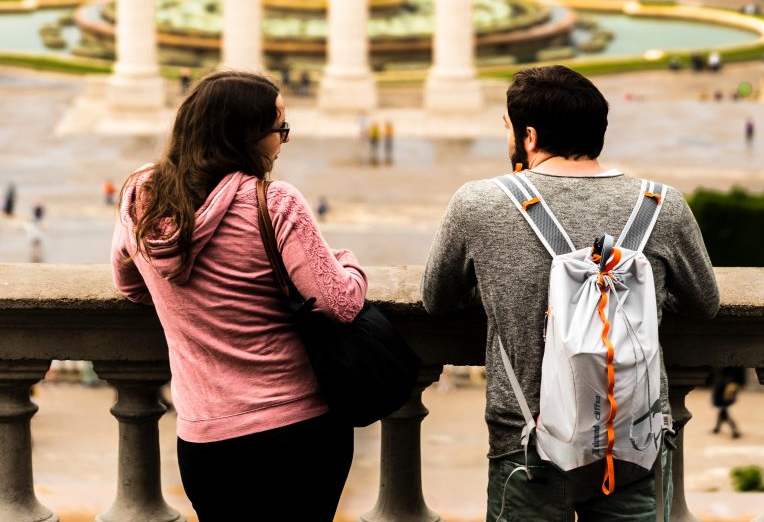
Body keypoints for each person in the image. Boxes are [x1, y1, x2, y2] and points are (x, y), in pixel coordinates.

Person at [422, 65, 720, 522]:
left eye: (508, 129)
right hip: (633, 440)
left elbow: (436, 299)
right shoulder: (663, 205)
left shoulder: (477, 203)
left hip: (525, 441)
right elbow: (704, 303)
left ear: (530, 136)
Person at [111, 69, 366, 522]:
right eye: (279, 128)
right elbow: (339, 302)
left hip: (205, 436)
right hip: (298, 426)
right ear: (245, 136)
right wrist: (347, 262)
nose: (284, 140)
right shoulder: (275, 202)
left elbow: (130, 284)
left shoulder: (140, 196)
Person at [711, 368, 743, 438]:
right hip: (723, 401)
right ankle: (717, 428)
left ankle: (735, 431)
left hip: (723, 401)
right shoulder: (725, 380)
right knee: (722, 414)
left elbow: (727, 392)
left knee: (726, 415)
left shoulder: (723, 380)